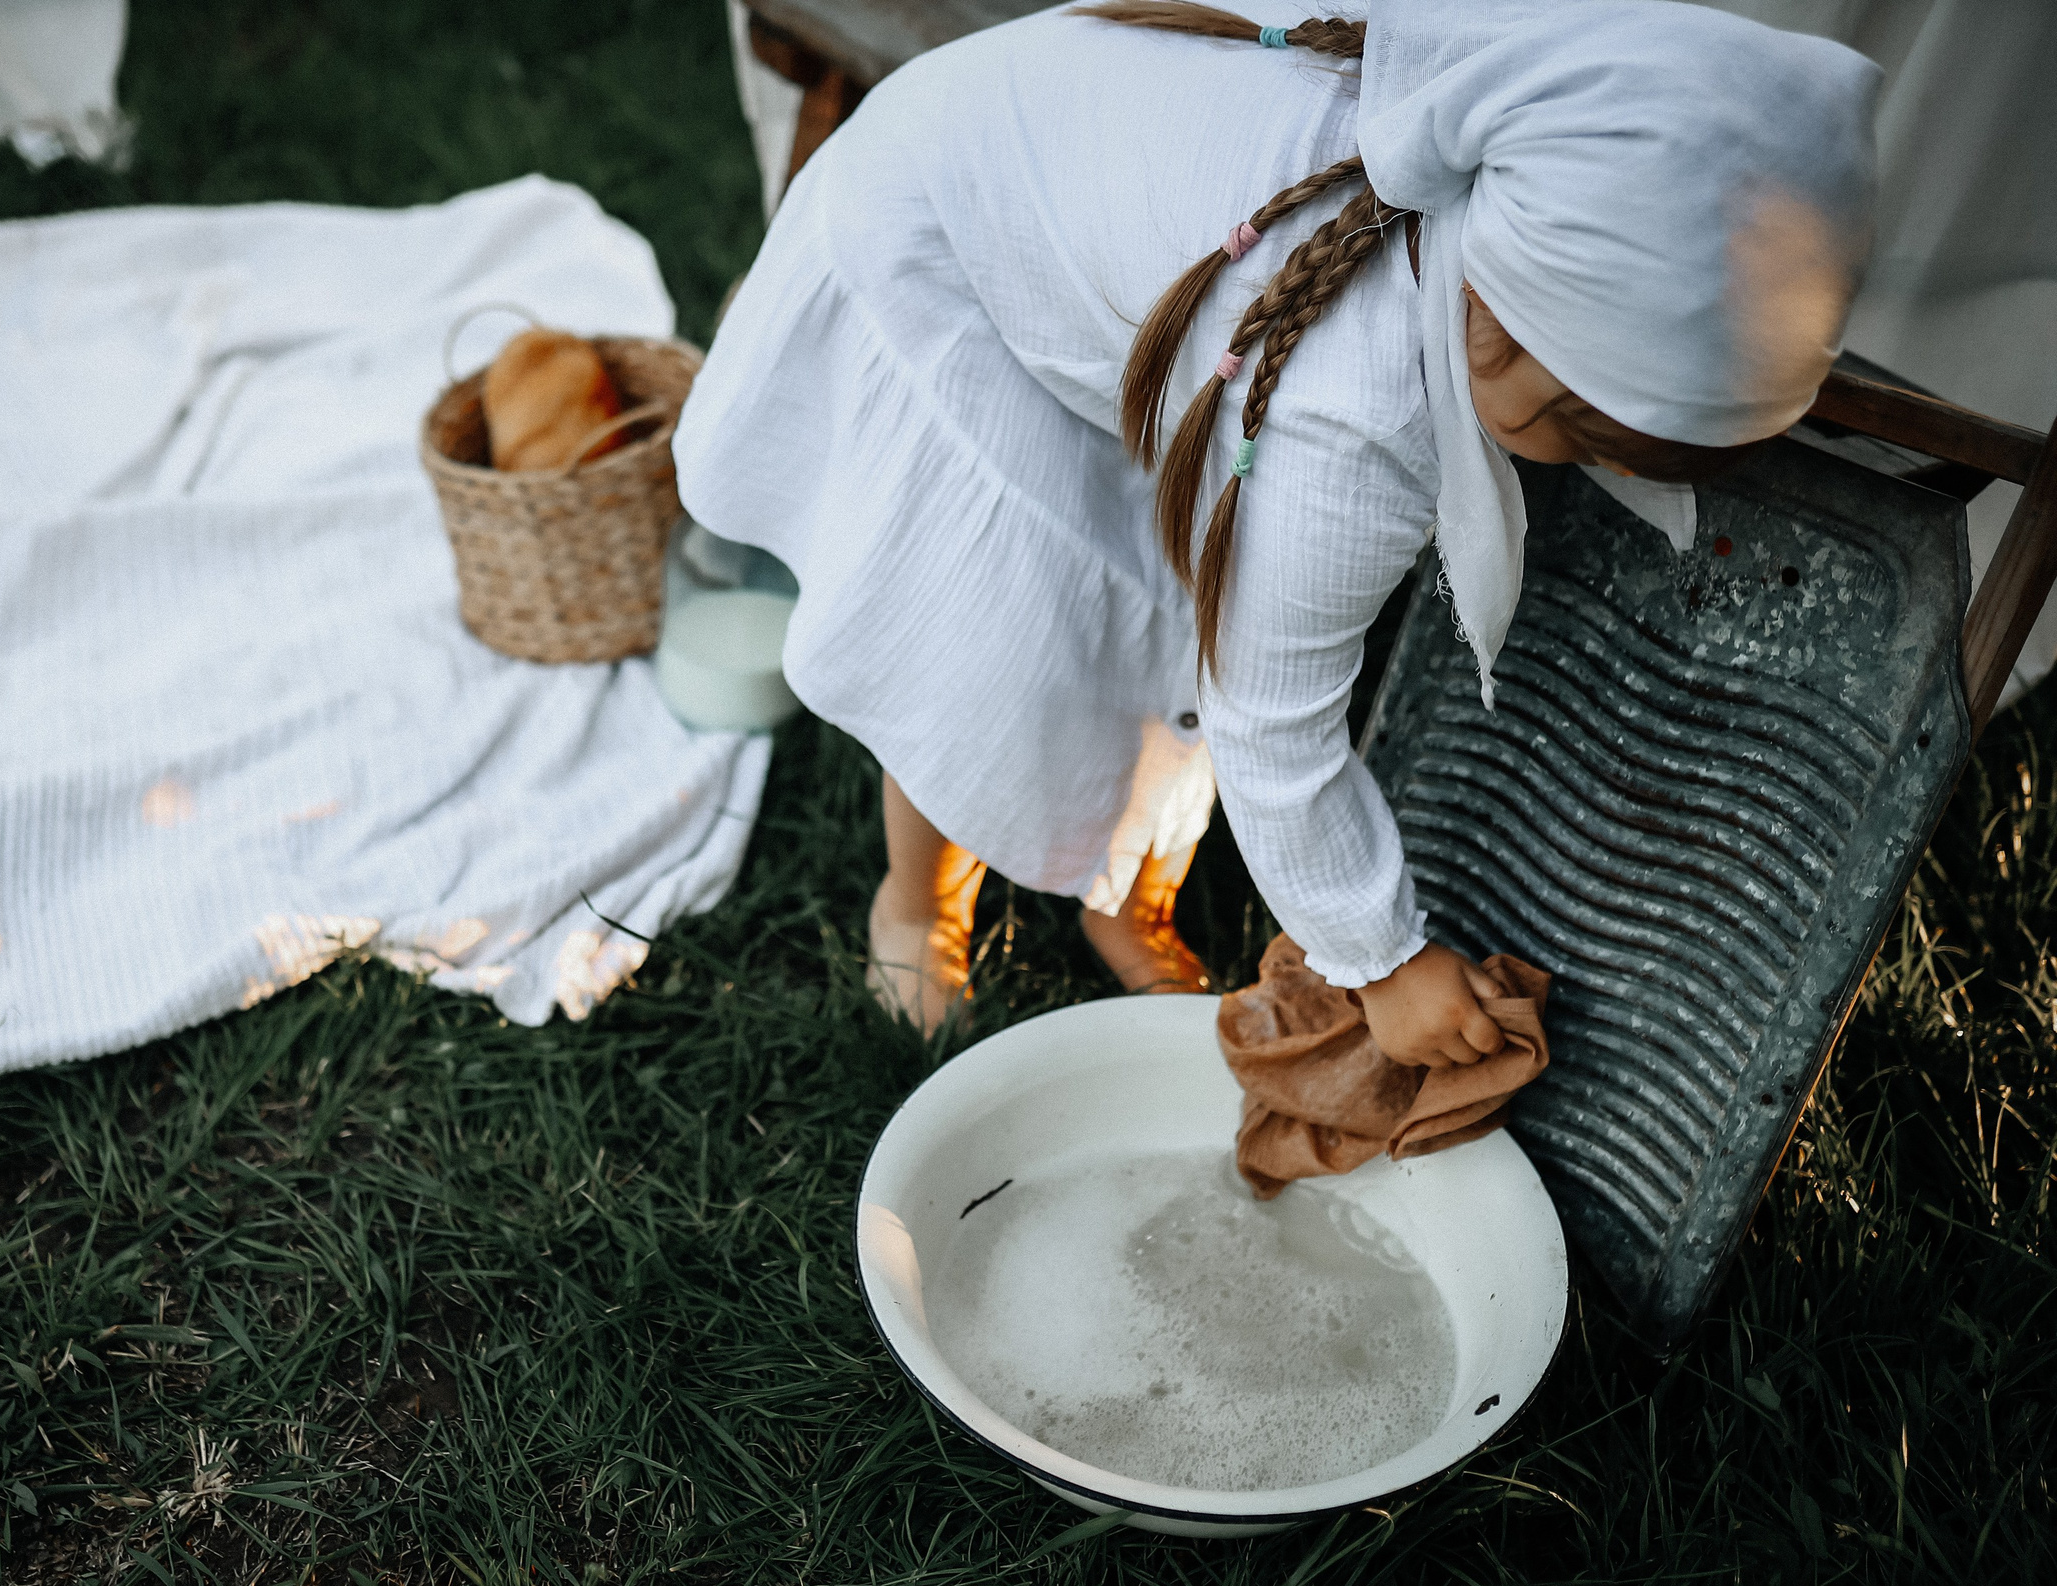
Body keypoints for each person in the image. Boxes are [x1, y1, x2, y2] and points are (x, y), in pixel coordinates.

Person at [674, 0, 1879, 1061]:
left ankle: (1120, 889)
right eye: (1597, 439)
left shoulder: (1483, 134)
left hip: (1089, 223)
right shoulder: (1351, 417)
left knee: (1176, 600)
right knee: (992, 640)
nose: (1603, 475)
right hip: (940, 246)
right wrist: (1386, 962)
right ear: (1493, 333)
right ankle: (914, 901)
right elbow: (1271, 717)